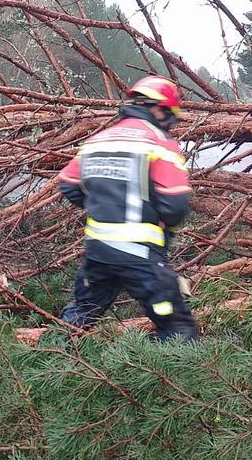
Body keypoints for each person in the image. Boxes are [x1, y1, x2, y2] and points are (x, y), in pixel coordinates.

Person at [56, 75, 198, 341]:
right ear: (160, 109)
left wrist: (103, 205)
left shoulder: (98, 140)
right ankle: (178, 365)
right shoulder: (158, 143)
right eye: (170, 116)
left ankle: (49, 356)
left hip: (97, 253)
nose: (170, 123)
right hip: (141, 255)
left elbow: (68, 183)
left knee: (81, 313)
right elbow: (175, 205)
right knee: (175, 324)